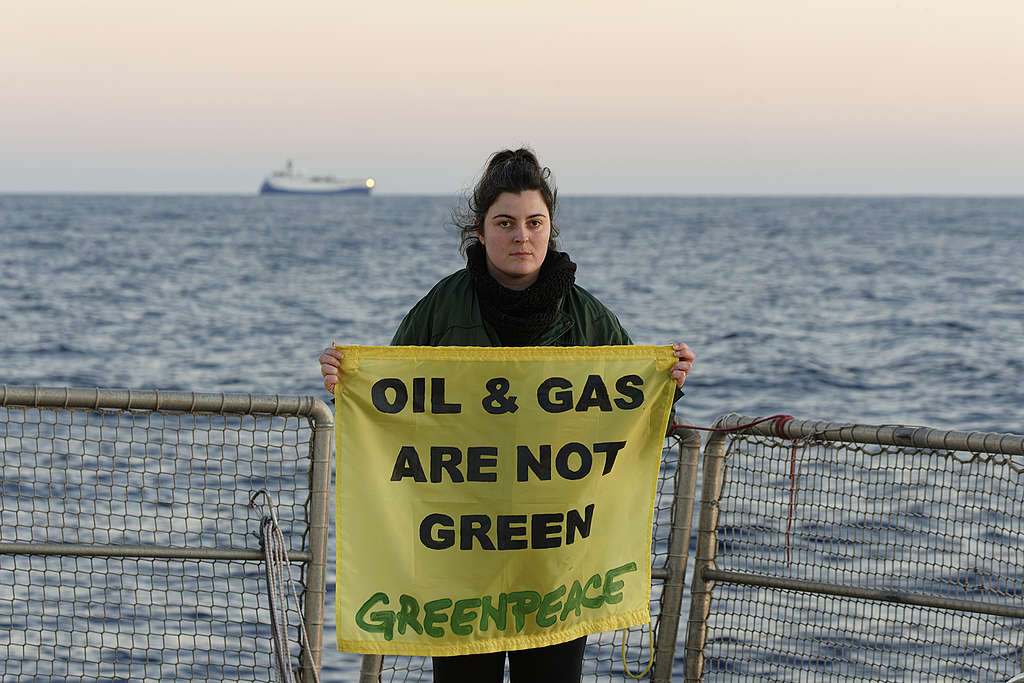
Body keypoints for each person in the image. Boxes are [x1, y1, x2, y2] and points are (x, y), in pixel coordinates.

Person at [318, 148, 694, 683]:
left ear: (550, 228)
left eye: (534, 222)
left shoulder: (587, 317)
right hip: (461, 563)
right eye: (506, 223)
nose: (522, 236)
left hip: (555, 565)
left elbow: (633, 418)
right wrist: (345, 384)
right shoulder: (441, 309)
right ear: (480, 231)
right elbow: (386, 415)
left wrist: (668, 385)